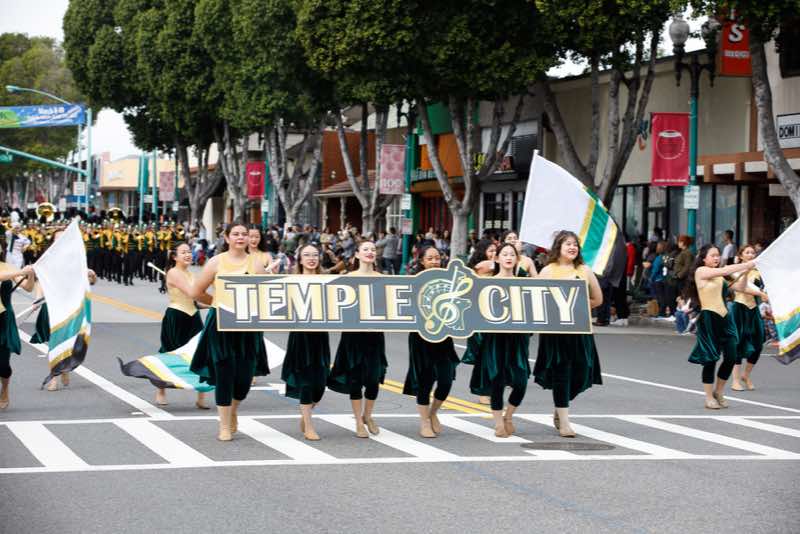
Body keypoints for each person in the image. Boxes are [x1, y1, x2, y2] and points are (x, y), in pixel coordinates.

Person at [175, 222, 270, 441]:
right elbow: (196, 292)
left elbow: (267, 293)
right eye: (235, 234)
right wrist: (218, 302)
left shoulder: (256, 263)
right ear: (226, 238)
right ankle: (224, 425)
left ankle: (233, 409)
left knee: (244, 378)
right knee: (224, 372)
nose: (240, 237)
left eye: (244, 234)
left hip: (248, 325)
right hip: (221, 324)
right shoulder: (216, 262)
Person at [533, 231, 603, 438]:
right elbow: (536, 299)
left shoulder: (584, 270)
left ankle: (560, 406)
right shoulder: (548, 271)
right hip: (556, 332)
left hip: (580, 330)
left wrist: (575, 304)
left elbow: (597, 299)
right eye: (568, 244)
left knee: (582, 372)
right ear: (559, 247)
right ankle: (564, 421)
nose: (572, 248)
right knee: (561, 374)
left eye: (575, 244)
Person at [467, 243, 531, 438]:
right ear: (497, 258)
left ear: (517, 259)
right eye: (504, 254)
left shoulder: (524, 284)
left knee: (521, 381)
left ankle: (508, 416)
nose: (508, 257)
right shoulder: (487, 283)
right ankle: (498, 423)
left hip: (517, 339)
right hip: (494, 339)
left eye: (512, 254)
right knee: (497, 380)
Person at [327, 240, 388, 438]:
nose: (370, 252)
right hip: (352, 335)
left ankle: (367, 416)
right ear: (357, 255)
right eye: (365, 249)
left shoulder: (384, 279)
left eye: (373, 249)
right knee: (355, 378)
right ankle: (358, 422)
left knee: (373, 379)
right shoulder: (348, 278)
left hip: (375, 334)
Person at [685, 244, 755, 410]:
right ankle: (709, 397)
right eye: (713, 255)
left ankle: (719, 392)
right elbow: (725, 270)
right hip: (709, 319)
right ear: (704, 258)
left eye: (718, 255)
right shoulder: (701, 271)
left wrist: (746, 272)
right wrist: (746, 264)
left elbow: (742, 288)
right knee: (710, 359)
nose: (716, 258)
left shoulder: (721, 277)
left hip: (726, 319)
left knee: (731, 357)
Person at [402, 245, 460, 438]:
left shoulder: (448, 281)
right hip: (421, 337)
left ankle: (433, 412)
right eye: (430, 258)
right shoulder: (414, 280)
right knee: (425, 380)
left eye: (437, 258)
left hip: (443, 336)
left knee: (446, 379)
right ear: (422, 261)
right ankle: (424, 422)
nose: (435, 261)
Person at [153, 242, 212, 408]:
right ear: (174, 256)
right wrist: (217, 300)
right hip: (176, 316)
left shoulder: (191, 273)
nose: (188, 255)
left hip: (193, 316)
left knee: (200, 354)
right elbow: (193, 293)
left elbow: (195, 301)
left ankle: (201, 396)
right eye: (183, 252)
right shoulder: (173, 273)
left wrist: (212, 305)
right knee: (169, 353)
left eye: (189, 251)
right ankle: (161, 391)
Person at [281, 243, 331, 441]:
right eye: (307, 255)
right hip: (300, 336)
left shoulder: (328, 281)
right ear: (300, 259)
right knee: (306, 382)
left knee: (320, 383)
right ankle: (309, 424)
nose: (311, 258)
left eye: (315, 255)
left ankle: (306, 412)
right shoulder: (291, 281)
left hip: (320, 336)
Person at [728, 245, 768, 392]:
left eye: (753, 253)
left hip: (753, 310)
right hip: (739, 309)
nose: (751, 255)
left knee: (758, 343)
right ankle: (735, 380)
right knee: (738, 344)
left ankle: (746, 375)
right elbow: (742, 288)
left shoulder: (758, 272)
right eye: (748, 252)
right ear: (741, 255)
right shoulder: (734, 270)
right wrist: (760, 294)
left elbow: (764, 289)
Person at [464, 238, 497, 405]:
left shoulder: (497, 266)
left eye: (495, 250)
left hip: (494, 317)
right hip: (479, 317)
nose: (494, 254)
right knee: (485, 356)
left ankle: (488, 389)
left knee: (491, 356)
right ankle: (484, 391)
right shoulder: (482, 266)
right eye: (491, 250)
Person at [0, 262, 36, 410]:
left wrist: (31, 274)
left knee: (3, 364)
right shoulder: (10, 272)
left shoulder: (7, 267)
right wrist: (21, 271)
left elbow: (28, 287)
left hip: (4, 320)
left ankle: (4, 389)